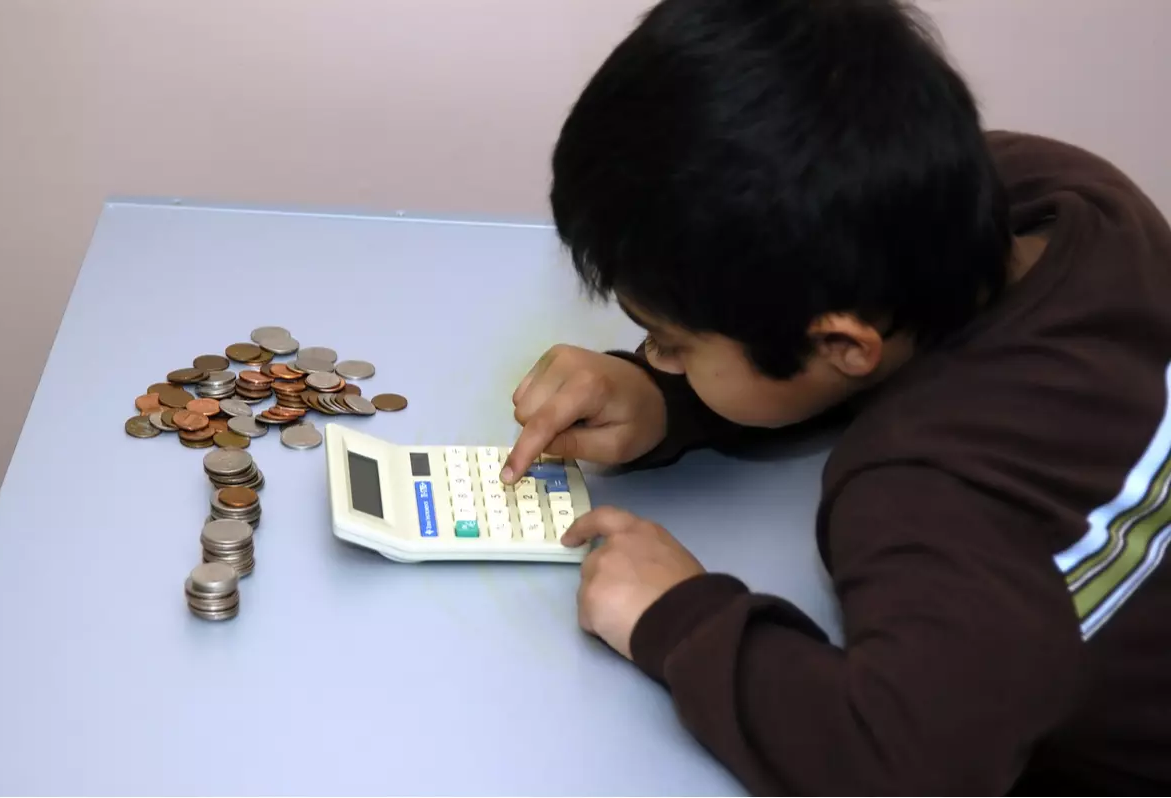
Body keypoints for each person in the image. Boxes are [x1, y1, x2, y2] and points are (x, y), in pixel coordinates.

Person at [499, 0, 1171, 793]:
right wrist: (666, 399)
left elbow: (904, 766)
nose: (661, 358)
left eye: (674, 342)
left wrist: (677, 618)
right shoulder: (1071, 197)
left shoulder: (924, 499)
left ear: (843, 346)